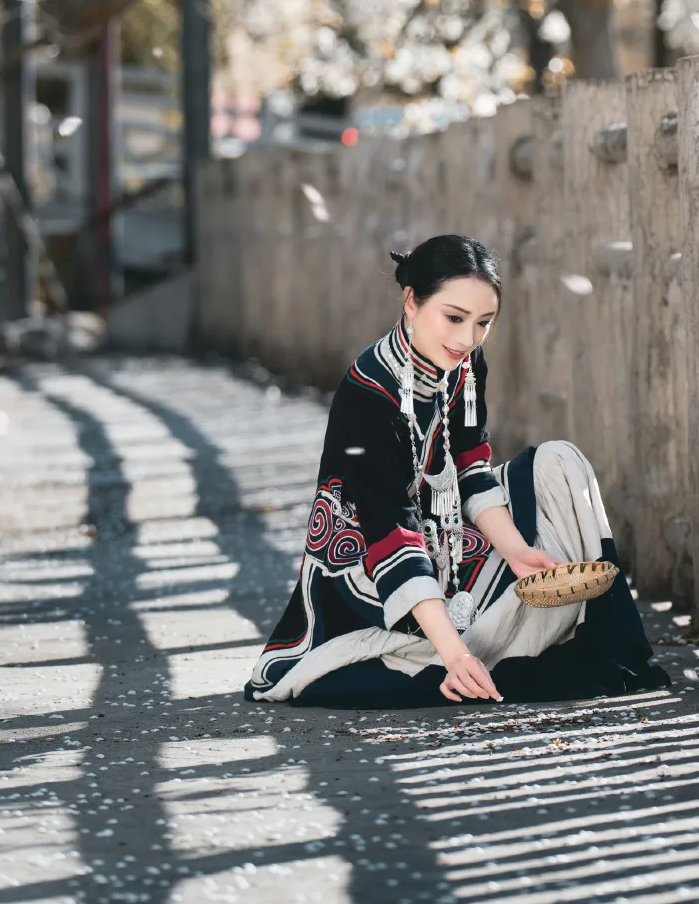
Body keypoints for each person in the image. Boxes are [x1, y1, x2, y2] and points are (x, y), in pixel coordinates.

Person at [246, 233, 669, 708]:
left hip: (446, 529)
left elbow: (471, 463)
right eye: (453, 317)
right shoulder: (367, 393)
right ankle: (461, 651)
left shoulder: (466, 363)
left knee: (560, 463)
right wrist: (453, 655)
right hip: (369, 558)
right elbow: (389, 527)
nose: (466, 338)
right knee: (448, 644)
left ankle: (527, 634)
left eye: (483, 322)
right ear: (411, 301)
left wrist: (515, 550)